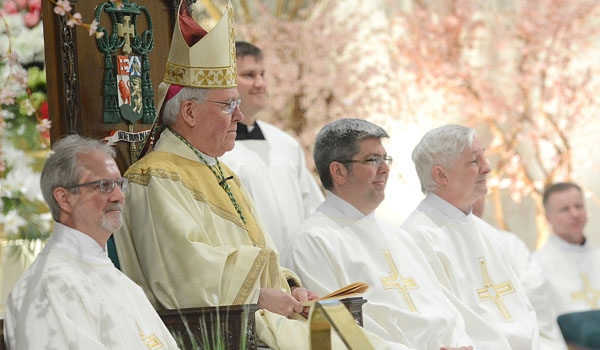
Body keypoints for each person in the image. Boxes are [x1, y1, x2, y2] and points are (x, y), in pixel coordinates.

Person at [114, 2, 387, 349]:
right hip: (231, 326)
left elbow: (260, 250)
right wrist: (260, 296)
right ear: (189, 112)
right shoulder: (156, 178)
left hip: (263, 314)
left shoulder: (220, 171)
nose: (239, 114)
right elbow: (182, 276)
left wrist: (289, 287)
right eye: (228, 105)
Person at [283, 118, 484, 350]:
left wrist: (462, 344)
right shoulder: (313, 241)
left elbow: (447, 311)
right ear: (338, 171)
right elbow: (336, 332)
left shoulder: (401, 238)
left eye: (385, 159)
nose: (385, 168)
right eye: (372, 160)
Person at [4, 135, 178, 349]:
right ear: (64, 198)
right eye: (104, 185)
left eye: (119, 184)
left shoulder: (123, 283)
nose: (118, 196)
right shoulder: (50, 288)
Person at [401, 124, 541, 349]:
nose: (487, 168)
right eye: (474, 161)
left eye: (484, 158)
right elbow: (437, 321)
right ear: (441, 174)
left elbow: (523, 309)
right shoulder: (417, 237)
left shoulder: (486, 232)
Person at [220, 41, 324, 252]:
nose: (260, 83)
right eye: (249, 75)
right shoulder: (216, 150)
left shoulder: (285, 144)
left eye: (262, 74)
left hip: (299, 270)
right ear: (225, 83)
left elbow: (313, 209)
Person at [473, 196, 567, 349]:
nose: (475, 201)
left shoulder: (509, 244)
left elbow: (536, 294)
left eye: (478, 189)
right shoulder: (435, 244)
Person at [532, 182, 600, 317]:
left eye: (578, 206)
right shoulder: (537, 266)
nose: (575, 214)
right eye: (564, 209)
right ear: (548, 218)